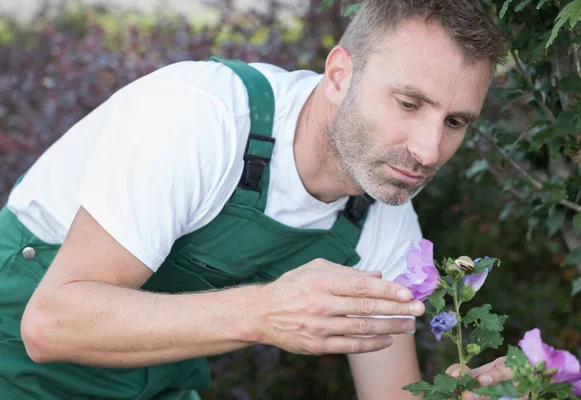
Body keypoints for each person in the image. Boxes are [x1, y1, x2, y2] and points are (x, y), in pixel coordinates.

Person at [0, 0, 511, 398]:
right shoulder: (204, 119)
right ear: (339, 76)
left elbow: (390, 394)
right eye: (408, 103)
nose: (428, 149)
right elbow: (49, 325)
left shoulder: (383, 223)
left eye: (454, 122)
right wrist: (264, 312)